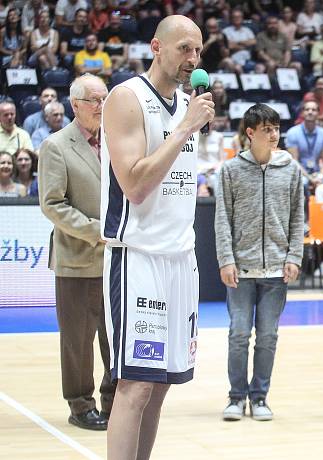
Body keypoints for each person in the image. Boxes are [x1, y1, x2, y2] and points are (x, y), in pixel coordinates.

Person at [100, 15, 214, 460]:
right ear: (156, 47)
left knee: (163, 384)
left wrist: (188, 120)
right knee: (136, 385)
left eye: (198, 50)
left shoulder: (188, 103)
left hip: (180, 259)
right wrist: (185, 127)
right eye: (184, 48)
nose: (193, 59)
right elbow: (134, 184)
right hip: (137, 257)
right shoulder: (126, 98)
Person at [215, 104, 303, 422]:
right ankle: (236, 397)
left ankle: (260, 396)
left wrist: (294, 256)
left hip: (277, 270)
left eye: (276, 128)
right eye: (267, 129)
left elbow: (298, 218)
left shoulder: (291, 169)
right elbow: (222, 219)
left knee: (268, 336)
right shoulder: (230, 171)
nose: (274, 134)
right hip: (241, 268)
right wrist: (226, 259)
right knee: (239, 333)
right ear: (250, 133)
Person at [37, 73, 115, 430]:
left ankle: (114, 400)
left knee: (115, 335)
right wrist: (96, 231)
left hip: (117, 259)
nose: (102, 107)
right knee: (77, 340)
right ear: (75, 105)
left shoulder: (117, 141)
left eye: (105, 100)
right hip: (77, 259)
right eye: (95, 100)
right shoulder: (56, 145)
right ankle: (81, 405)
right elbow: (53, 204)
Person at [285, 100, 323, 179]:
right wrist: (309, 178)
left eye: (313, 110)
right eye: (307, 109)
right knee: (303, 182)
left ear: (318, 113)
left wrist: (320, 176)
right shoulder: (292, 132)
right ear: (302, 113)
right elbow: (294, 160)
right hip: (299, 172)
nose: (310, 112)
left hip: (318, 172)